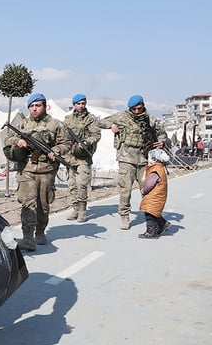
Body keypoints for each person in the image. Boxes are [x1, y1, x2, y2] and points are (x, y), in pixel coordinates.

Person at [4, 93, 69, 251]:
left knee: (43, 205)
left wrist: (55, 150)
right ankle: (27, 237)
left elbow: (65, 143)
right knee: (28, 203)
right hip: (26, 170)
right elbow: (8, 139)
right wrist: (18, 141)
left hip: (46, 171)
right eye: (32, 106)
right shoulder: (23, 124)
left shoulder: (56, 124)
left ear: (45, 106)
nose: (34, 108)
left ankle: (40, 231)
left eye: (37, 105)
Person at [97, 95, 168, 230]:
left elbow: (162, 133)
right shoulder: (121, 117)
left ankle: (155, 217)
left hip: (143, 159)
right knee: (125, 190)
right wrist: (111, 126)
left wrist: (162, 142)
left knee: (148, 191)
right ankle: (124, 216)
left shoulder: (150, 119)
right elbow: (99, 122)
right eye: (133, 109)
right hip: (126, 158)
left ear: (143, 105)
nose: (136, 111)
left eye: (138, 108)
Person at [63, 94, 101, 222]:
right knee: (72, 184)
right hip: (70, 156)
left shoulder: (91, 119)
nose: (81, 106)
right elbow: (63, 136)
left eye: (83, 103)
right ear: (74, 104)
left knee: (82, 183)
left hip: (83, 156)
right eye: (78, 103)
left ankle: (83, 209)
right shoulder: (67, 119)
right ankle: (75, 208)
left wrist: (86, 142)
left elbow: (96, 135)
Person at [139, 148, 171, 239]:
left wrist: (144, 190)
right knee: (154, 212)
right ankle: (163, 224)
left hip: (154, 196)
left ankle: (151, 231)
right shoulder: (161, 168)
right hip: (158, 196)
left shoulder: (155, 170)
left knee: (150, 214)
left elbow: (150, 184)